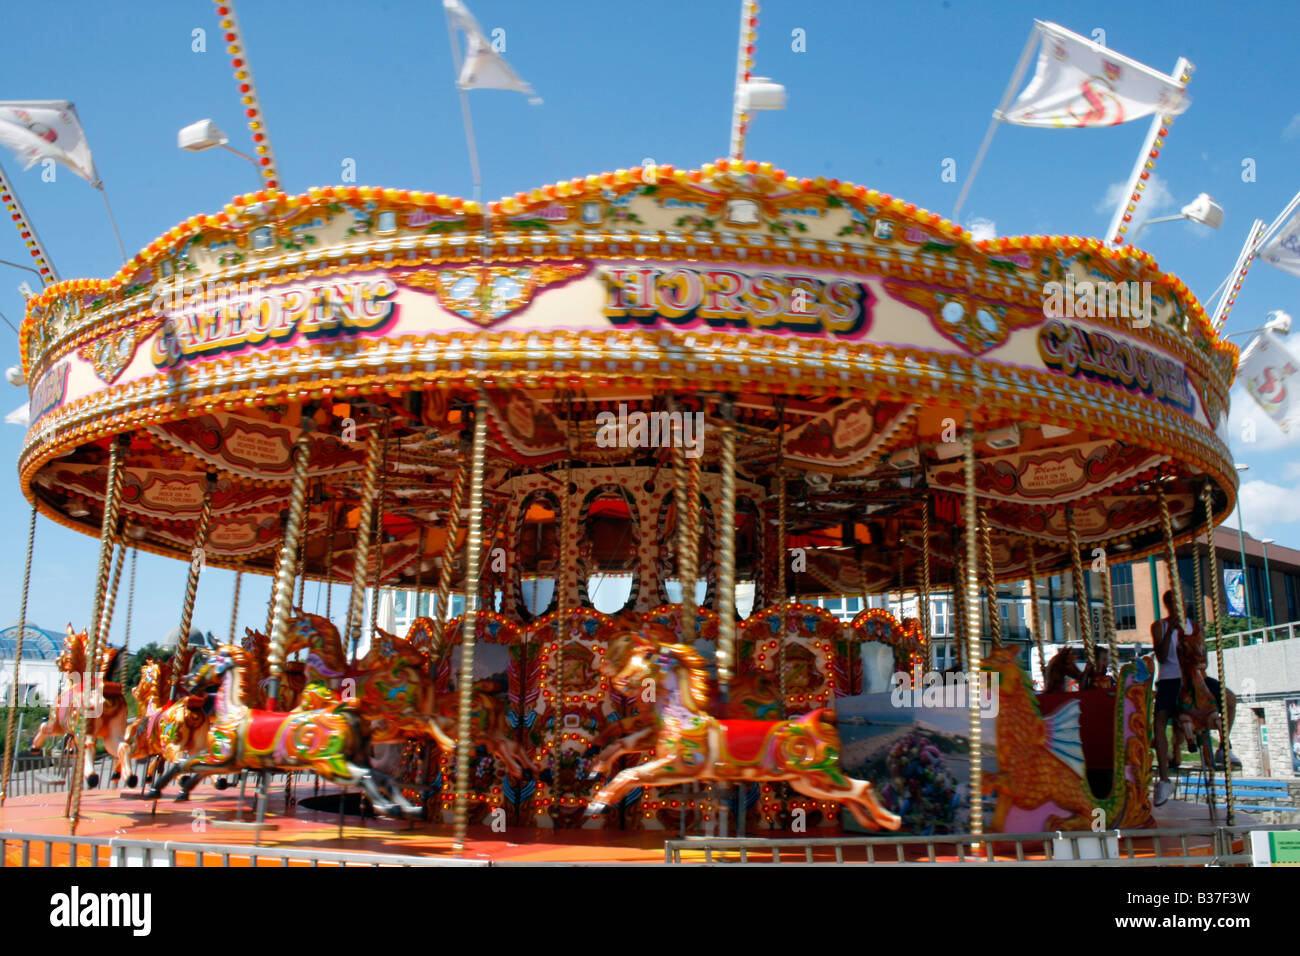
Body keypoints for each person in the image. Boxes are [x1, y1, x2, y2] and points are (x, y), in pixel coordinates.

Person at [1171, 607, 1240, 769]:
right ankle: (1176, 748)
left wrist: (1198, 663)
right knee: (1175, 708)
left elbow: (1204, 663)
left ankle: (1224, 745)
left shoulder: (1199, 640)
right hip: (1183, 679)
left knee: (1230, 699)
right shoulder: (1178, 638)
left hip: (1201, 679)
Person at [1150, 590, 1183, 807]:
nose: (1175, 606)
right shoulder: (1159, 626)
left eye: (1178, 602)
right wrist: (1171, 630)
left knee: (1228, 700)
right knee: (1159, 723)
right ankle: (1163, 779)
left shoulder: (1192, 626)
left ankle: (1224, 746)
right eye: (1171, 602)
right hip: (1169, 678)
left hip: (1188, 678)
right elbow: (1161, 657)